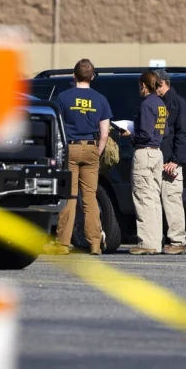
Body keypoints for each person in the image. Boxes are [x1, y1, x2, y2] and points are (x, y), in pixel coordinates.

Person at [44, 59, 112, 256]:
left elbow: (55, 127)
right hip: (91, 148)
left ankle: (63, 243)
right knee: (90, 198)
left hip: (70, 149)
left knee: (70, 196)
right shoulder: (100, 99)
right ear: (92, 77)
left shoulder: (63, 98)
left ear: (74, 76)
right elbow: (105, 132)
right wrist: (97, 152)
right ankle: (95, 244)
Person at [125, 71, 168, 255]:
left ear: (144, 85)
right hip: (157, 153)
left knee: (143, 198)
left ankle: (146, 243)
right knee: (154, 199)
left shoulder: (146, 105)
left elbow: (144, 134)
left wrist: (129, 135)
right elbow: (162, 132)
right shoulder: (161, 104)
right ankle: (155, 242)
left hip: (144, 153)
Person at [155, 70, 186, 255]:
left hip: (171, 162)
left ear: (162, 83)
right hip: (157, 160)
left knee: (172, 201)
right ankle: (156, 241)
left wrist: (175, 161)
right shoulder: (155, 103)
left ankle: (178, 241)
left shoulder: (178, 103)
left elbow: (182, 134)